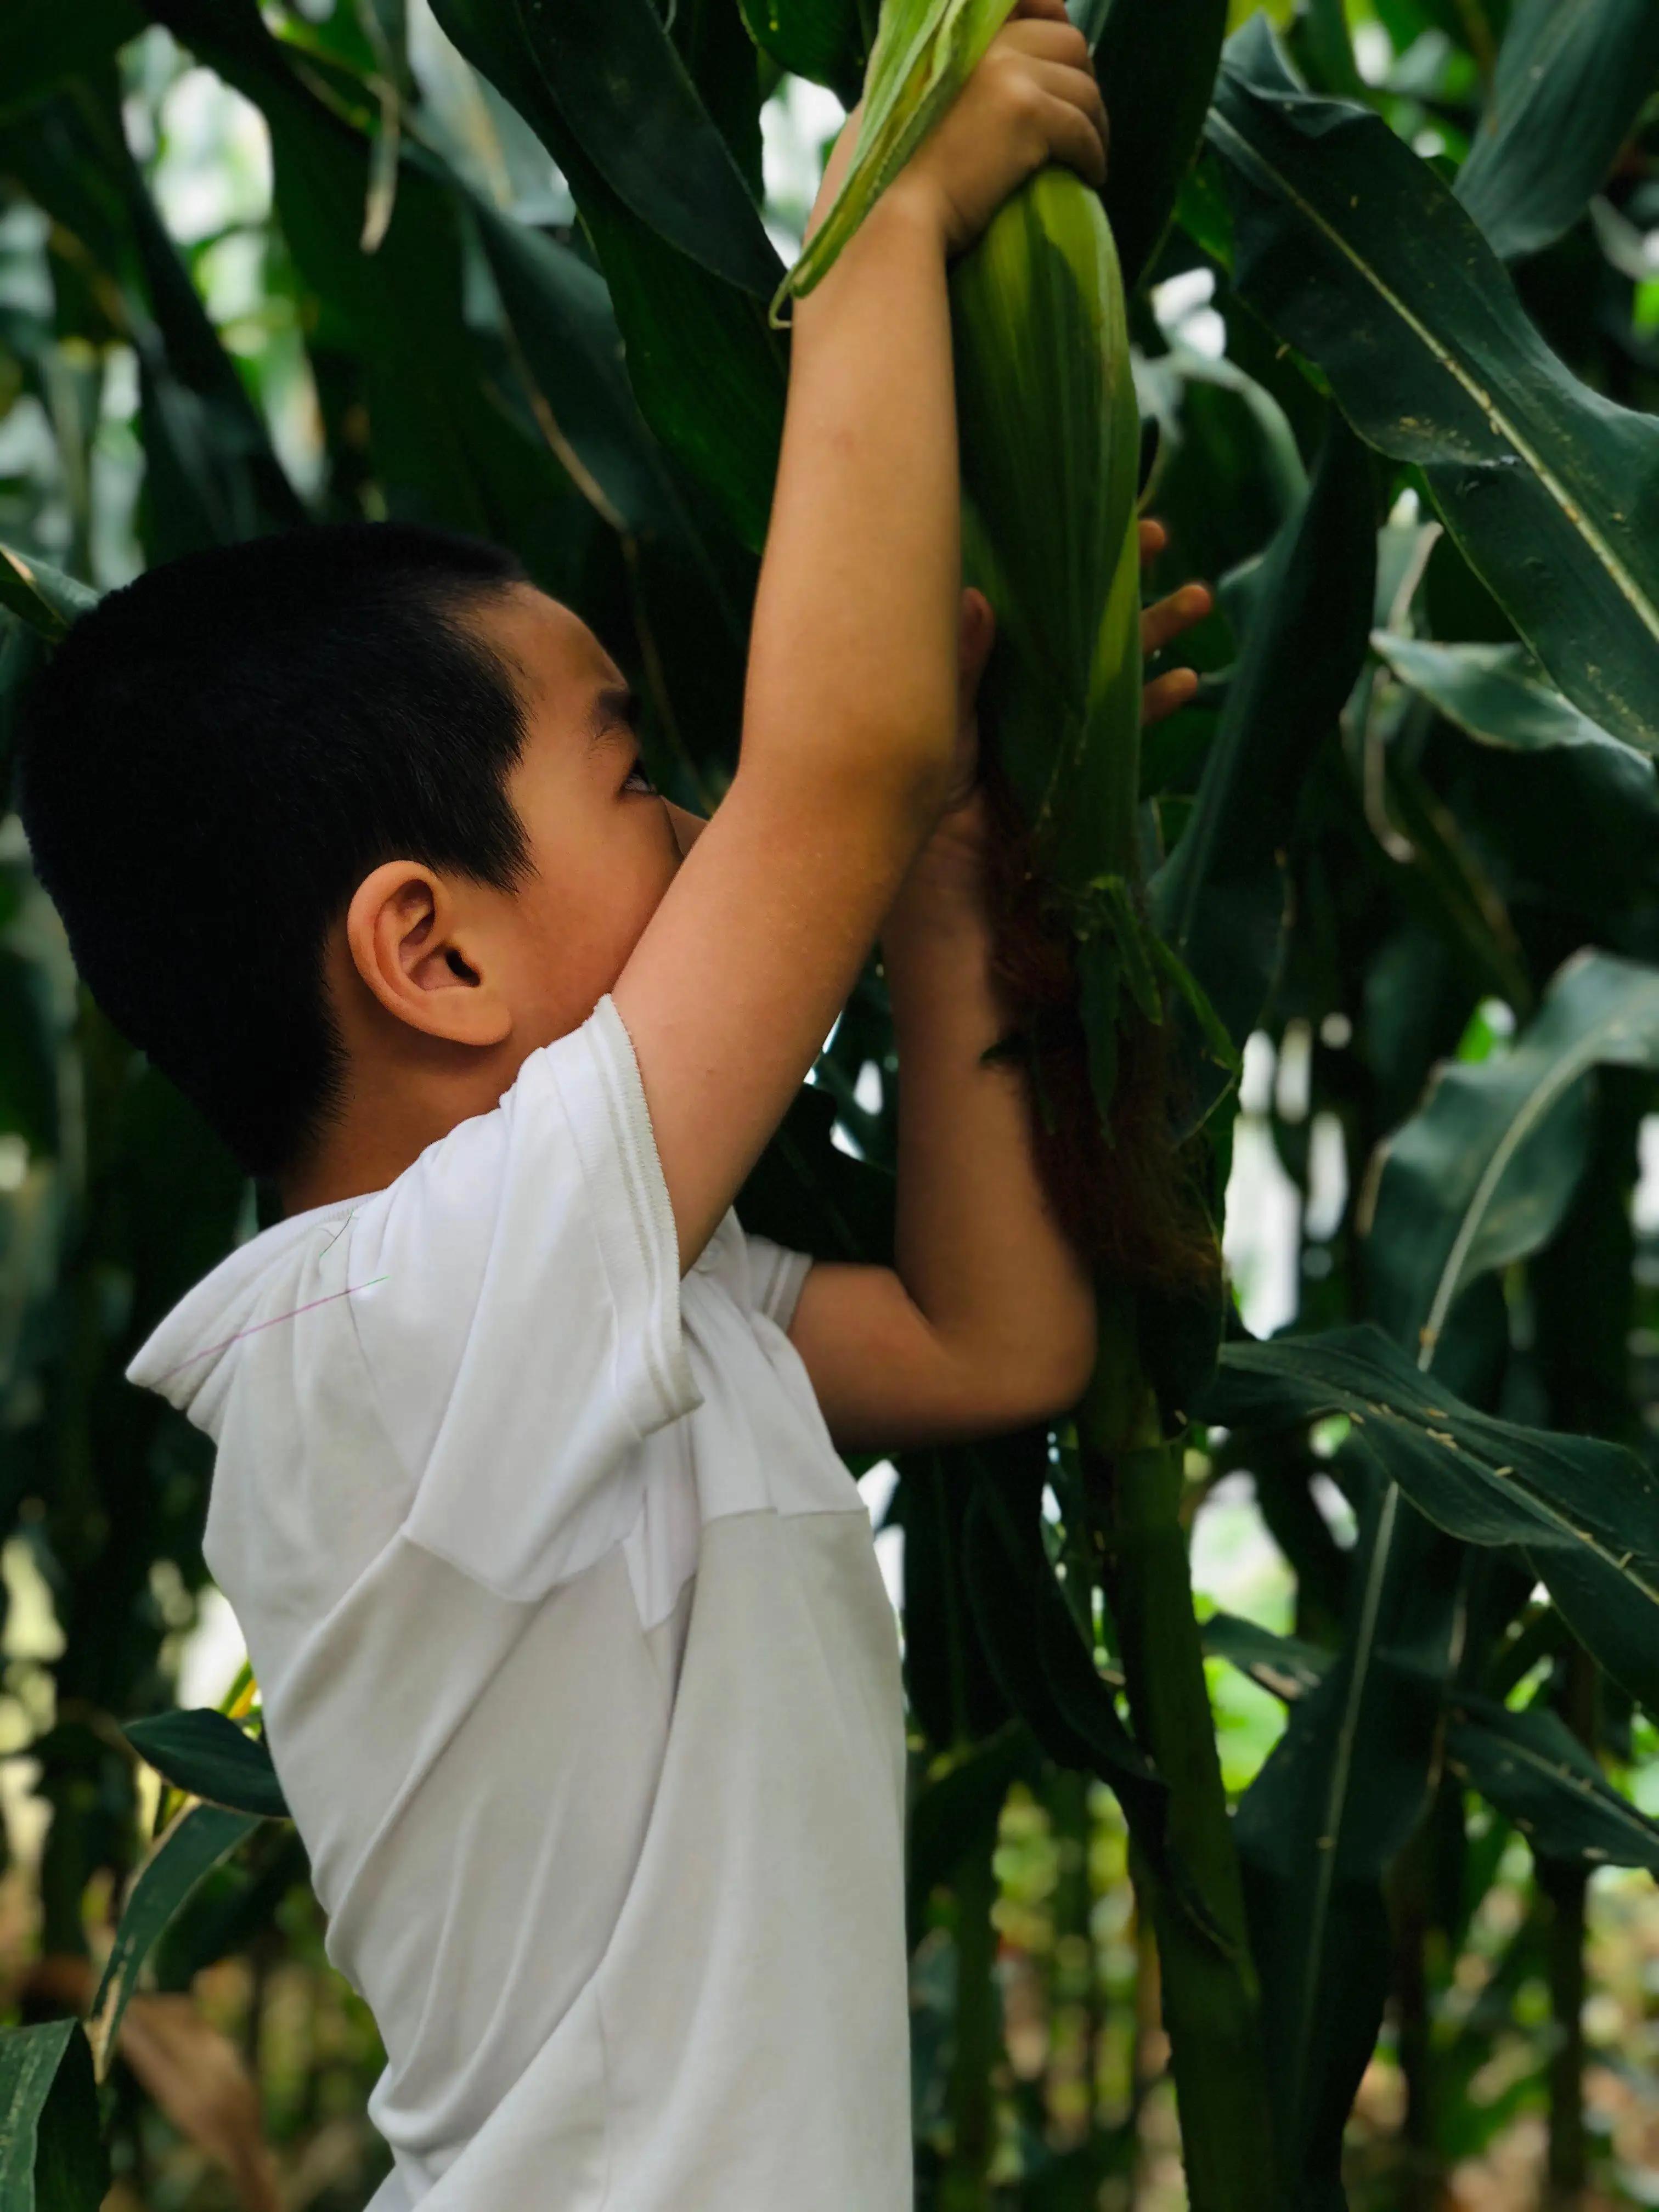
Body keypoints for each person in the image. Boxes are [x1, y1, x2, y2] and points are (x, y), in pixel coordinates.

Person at [14, 5, 1210, 2204]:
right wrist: (883, 228)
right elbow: (831, 766)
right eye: (636, 773)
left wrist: (954, 878)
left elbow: (993, 1346)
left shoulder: (620, 1316)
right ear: (433, 952)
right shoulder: (398, 1332)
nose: (698, 824)